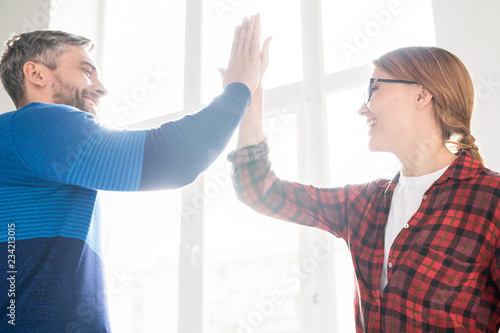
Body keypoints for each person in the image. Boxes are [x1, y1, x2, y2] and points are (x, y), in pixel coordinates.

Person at [0, 15, 263, 331]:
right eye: (86, 71)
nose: (101, 88)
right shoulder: (39, 124)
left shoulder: (18, 139)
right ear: (36, 73)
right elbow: (172, 157)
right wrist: (240, 87)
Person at [229, 43, 500, 332]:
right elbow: (260, 190)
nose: (362, 109)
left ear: (421, 95)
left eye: (373, 90)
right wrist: (247, 92)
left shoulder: (491, 200)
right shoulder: (365, 203)